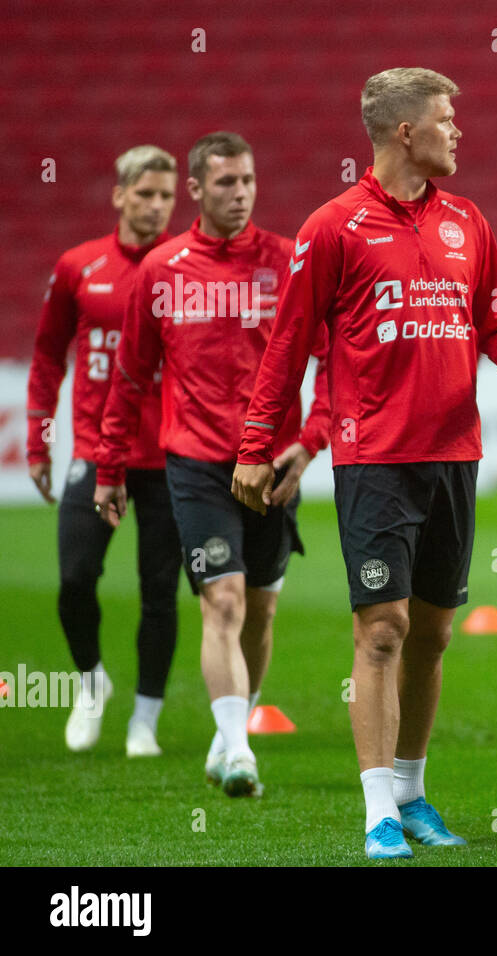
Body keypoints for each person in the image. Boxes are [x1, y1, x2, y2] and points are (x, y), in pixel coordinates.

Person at [232, 68, 497, 860]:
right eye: (445, 117)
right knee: (383, 628)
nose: (458, 130)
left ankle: (412, 789)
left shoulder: (470, 221)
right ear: (405, 131)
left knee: (432, 631)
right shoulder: (333, 227)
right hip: (374, 461)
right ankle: (377, 814)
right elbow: (289, 345)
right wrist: (258, 444)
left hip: (455, 454)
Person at [95, 132, 329, 798]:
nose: (240, 193)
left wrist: (310, 443)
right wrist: (110, 468)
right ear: (196, 190)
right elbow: (132, 376)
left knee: (259, 612)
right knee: (220, 601)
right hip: (195, 464)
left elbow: (336, 360)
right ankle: (237, 748)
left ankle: (230, 734)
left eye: (248, 181)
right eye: (225, 183)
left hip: (274, 464)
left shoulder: (289, 263)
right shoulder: (161, 272)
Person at [27, 145, 181, 756]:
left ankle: (145, 719)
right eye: (144, 194)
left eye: (166, 196)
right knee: (74, 579)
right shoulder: (77, 267)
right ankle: (92, 682)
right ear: (118, 195)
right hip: (94, 451)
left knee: (158, 591)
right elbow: (45, 354)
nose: (155, 206)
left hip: (171, 456)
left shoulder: (185, 267)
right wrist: (40, 437)